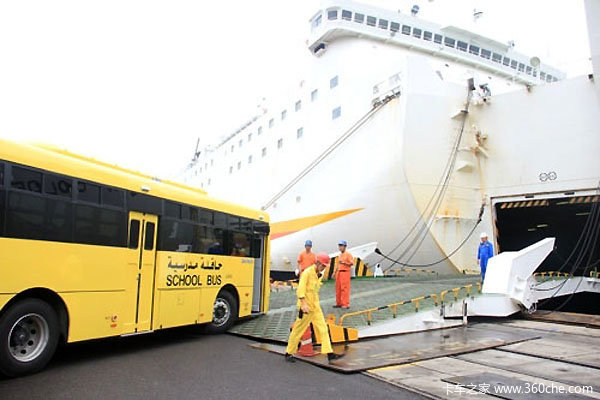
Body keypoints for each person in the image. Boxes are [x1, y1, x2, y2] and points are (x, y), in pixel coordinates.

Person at [285, 253, 344, 363]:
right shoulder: (307, 273)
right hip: (306, 308)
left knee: (323, 328)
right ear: (317, 263)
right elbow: (300, 290)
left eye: (325, 266)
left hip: (315, 306)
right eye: (323, 266)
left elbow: (314, 291)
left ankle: (329, 353)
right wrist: (303, 304)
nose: (324, 268)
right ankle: (289, 353)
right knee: (298, 330)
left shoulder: (318, 275)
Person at [333, 240, 353, 309]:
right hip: (339, 272)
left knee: (344, 288)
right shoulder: (340, 255)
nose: (340, 247)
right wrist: (334, 272)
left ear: (345, 247)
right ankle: (339, 303)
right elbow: (338, 264)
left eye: (341, 246)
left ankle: (345, 304)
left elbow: (351, 263)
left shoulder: (348, 254)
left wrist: (344, 263)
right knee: (338, 288)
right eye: (339, 246)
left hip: (345, 272)